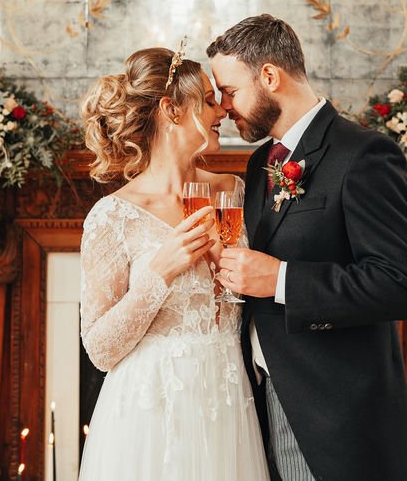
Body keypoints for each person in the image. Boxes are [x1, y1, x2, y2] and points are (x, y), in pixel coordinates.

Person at [207, 14, 407, 481]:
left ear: (269, 76)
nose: (224, 106)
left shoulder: (364, 154)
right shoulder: (258, 165)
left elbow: (404, 285)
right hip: (260, 403)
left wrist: (281, 279)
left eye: (229, 91)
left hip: (335, 415)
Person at [77, 46, 271, 481]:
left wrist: (226, 262)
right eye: (207, 99)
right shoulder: (113, 216)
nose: (223, 107)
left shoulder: (234, 192)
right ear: (170, 109)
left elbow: (248, 297)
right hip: (148, 414)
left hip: (227, 401)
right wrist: (159, 272)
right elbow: (100, 350)